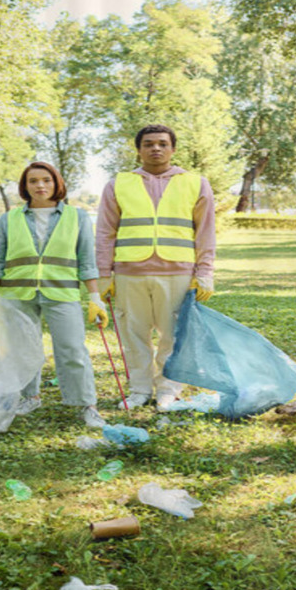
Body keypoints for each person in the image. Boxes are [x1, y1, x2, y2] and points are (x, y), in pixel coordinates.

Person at [0, 161, 109, 429]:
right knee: (21, 349)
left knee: (72, 349)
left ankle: (86, 404)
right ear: (25, 186)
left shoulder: (76, 217)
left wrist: (95, 299)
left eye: (46, 180)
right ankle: (28, 397)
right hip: (17, 293)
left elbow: (87, 261)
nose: (40, 186)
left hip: (61, 292)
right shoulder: (9, 219)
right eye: (33, 181)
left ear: (57, 183)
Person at [95, 125, 216, 411]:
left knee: (173, 336)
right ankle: (139, 389)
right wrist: (102, 274)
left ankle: (168, 389)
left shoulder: (196, 183)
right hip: (128, 272)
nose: (156, 149)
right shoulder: (118, 183)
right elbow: (104, 232)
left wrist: (205, 272)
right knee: (133, 335)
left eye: (162, 144)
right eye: (148, 144)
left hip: (177, 271)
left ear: (173, 149)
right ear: (139, 150)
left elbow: (206, 232)